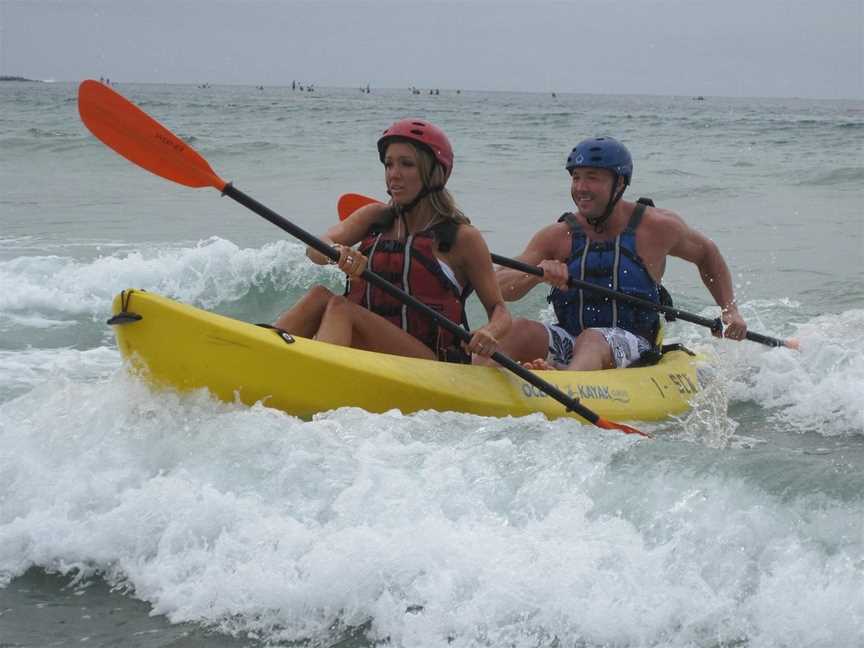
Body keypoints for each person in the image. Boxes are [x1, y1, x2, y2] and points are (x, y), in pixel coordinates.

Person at [479, 136, 747, 371]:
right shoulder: (557, 235)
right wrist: (536, 276)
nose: (580, 188)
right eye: (576, 177)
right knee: (516, 330)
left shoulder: (657, 227)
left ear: (619, 183)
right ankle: (475, 380)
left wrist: (729, 310)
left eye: (592, 178)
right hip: (571, 340)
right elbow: (497, 286)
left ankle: (566, 381)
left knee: (594, 339)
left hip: (634, 346)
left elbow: (706, 253)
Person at [274, 119, 511, 362]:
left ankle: (315, 379)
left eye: (406, 164)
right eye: (389, 165)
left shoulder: (462, 238)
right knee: (319, 296)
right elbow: (314, 248)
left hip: (428, 363)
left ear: (434, 174)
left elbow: (499, 310)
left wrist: (488, 332)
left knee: (340, 308)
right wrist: (337, 251)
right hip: (375, 351)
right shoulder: (375, 218)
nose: (393, 175)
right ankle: (258, 355)